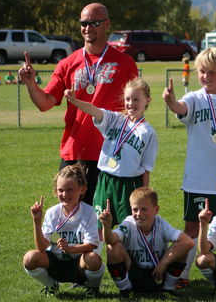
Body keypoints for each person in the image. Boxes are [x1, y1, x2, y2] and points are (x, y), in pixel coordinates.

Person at [17, 3, 138, 206]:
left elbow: (135, 108)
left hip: (111, 152)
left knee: (106, 219)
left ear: (106, 24)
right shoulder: (68, 63)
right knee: (71, 216)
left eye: (94, 23)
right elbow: (45, 103)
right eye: (84, 23)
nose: (87, 28)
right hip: (75, 151)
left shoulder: (125, 63)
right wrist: (30, 84)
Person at [162, 46, 216, 287]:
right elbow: (181, 108)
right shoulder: (194, 98)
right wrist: (170, 102)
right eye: (201, 71)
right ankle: (182, 274)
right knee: (192, 227)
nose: (205, 76)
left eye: (211, 72)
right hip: (197, 178)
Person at [64, 77, 158, 227]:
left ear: (147, 100)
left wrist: (144, 194)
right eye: (128, 99)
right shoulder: (116, 120)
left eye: (136, 99)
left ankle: (123, 251)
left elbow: (146, 168)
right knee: (100, 223)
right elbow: (94, 110)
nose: (131, 103)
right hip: (106, 180)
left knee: (128, 227)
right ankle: (95, 251)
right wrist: (75, 102)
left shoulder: (148, 132)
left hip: (129, 184)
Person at [22, 164, 104, 297]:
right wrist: (37, 222)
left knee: (93, 259)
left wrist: (70, 249)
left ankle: (92, 287)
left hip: (79, 265)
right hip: (56, 263)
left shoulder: (89, 212)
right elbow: (42, 247)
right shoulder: (52, 213)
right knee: (30, 258)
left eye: (70, 190)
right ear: (56, 191)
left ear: (82, 190)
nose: (65, 194)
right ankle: (51, 285)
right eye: (61, 190)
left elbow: (92, 244)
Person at [100, 187, 195, 297]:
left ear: (156, 210)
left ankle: (167, 288)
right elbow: (110, 240)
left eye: (144, 209)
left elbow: (188, 242)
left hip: (158, 271)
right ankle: (126, 289)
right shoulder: (128, 223)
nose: (139, 214)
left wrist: (163, 263)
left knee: (182, 248)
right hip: (133, 272)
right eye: (135, 209)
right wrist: (106, 226)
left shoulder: (161, 224)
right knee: (113, 247)